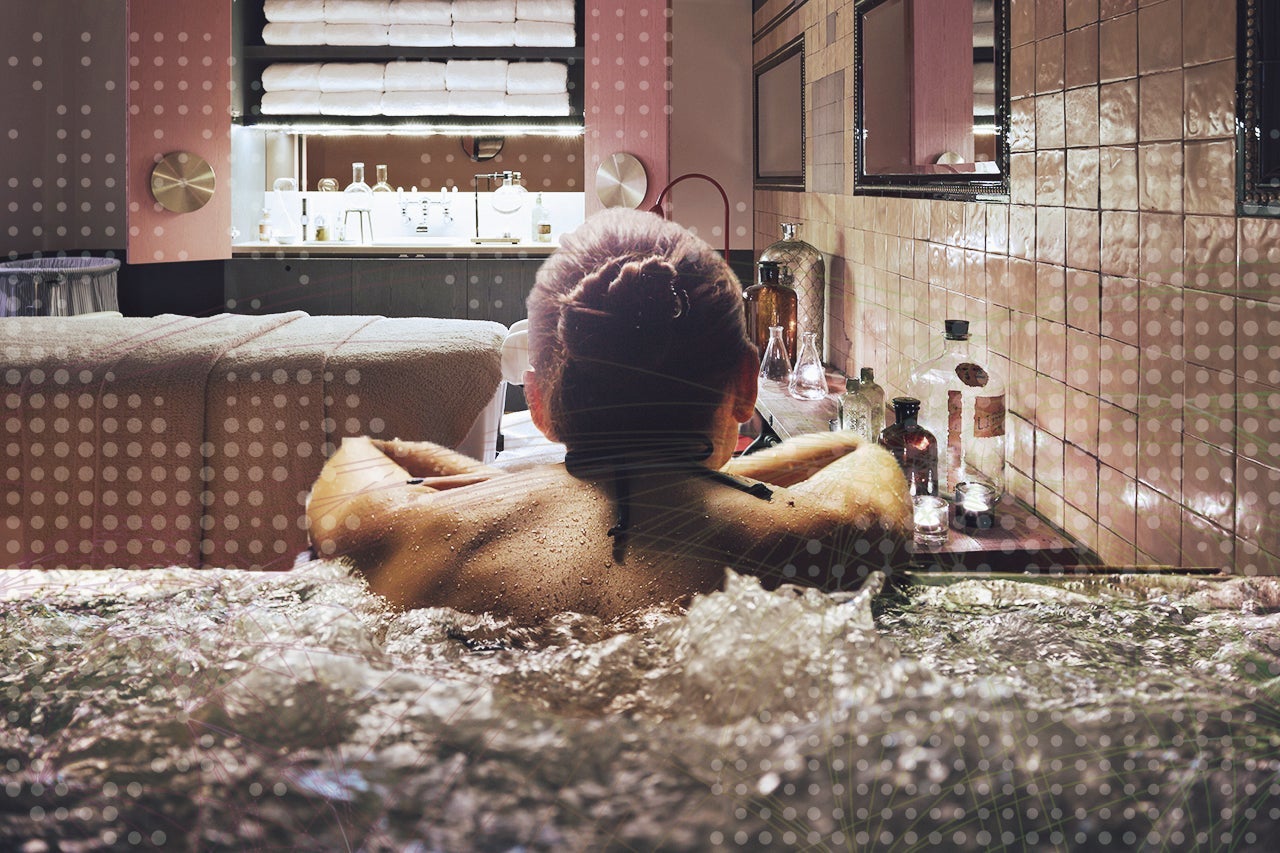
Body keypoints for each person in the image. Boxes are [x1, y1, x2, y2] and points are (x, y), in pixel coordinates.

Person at [306, 209, 912, 623]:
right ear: (745, 387)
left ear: (539, 405)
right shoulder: (820, 538)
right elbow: (860, 453)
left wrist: (507, 484)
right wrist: (732, 483)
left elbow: (362, 455)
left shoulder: (398, 529)